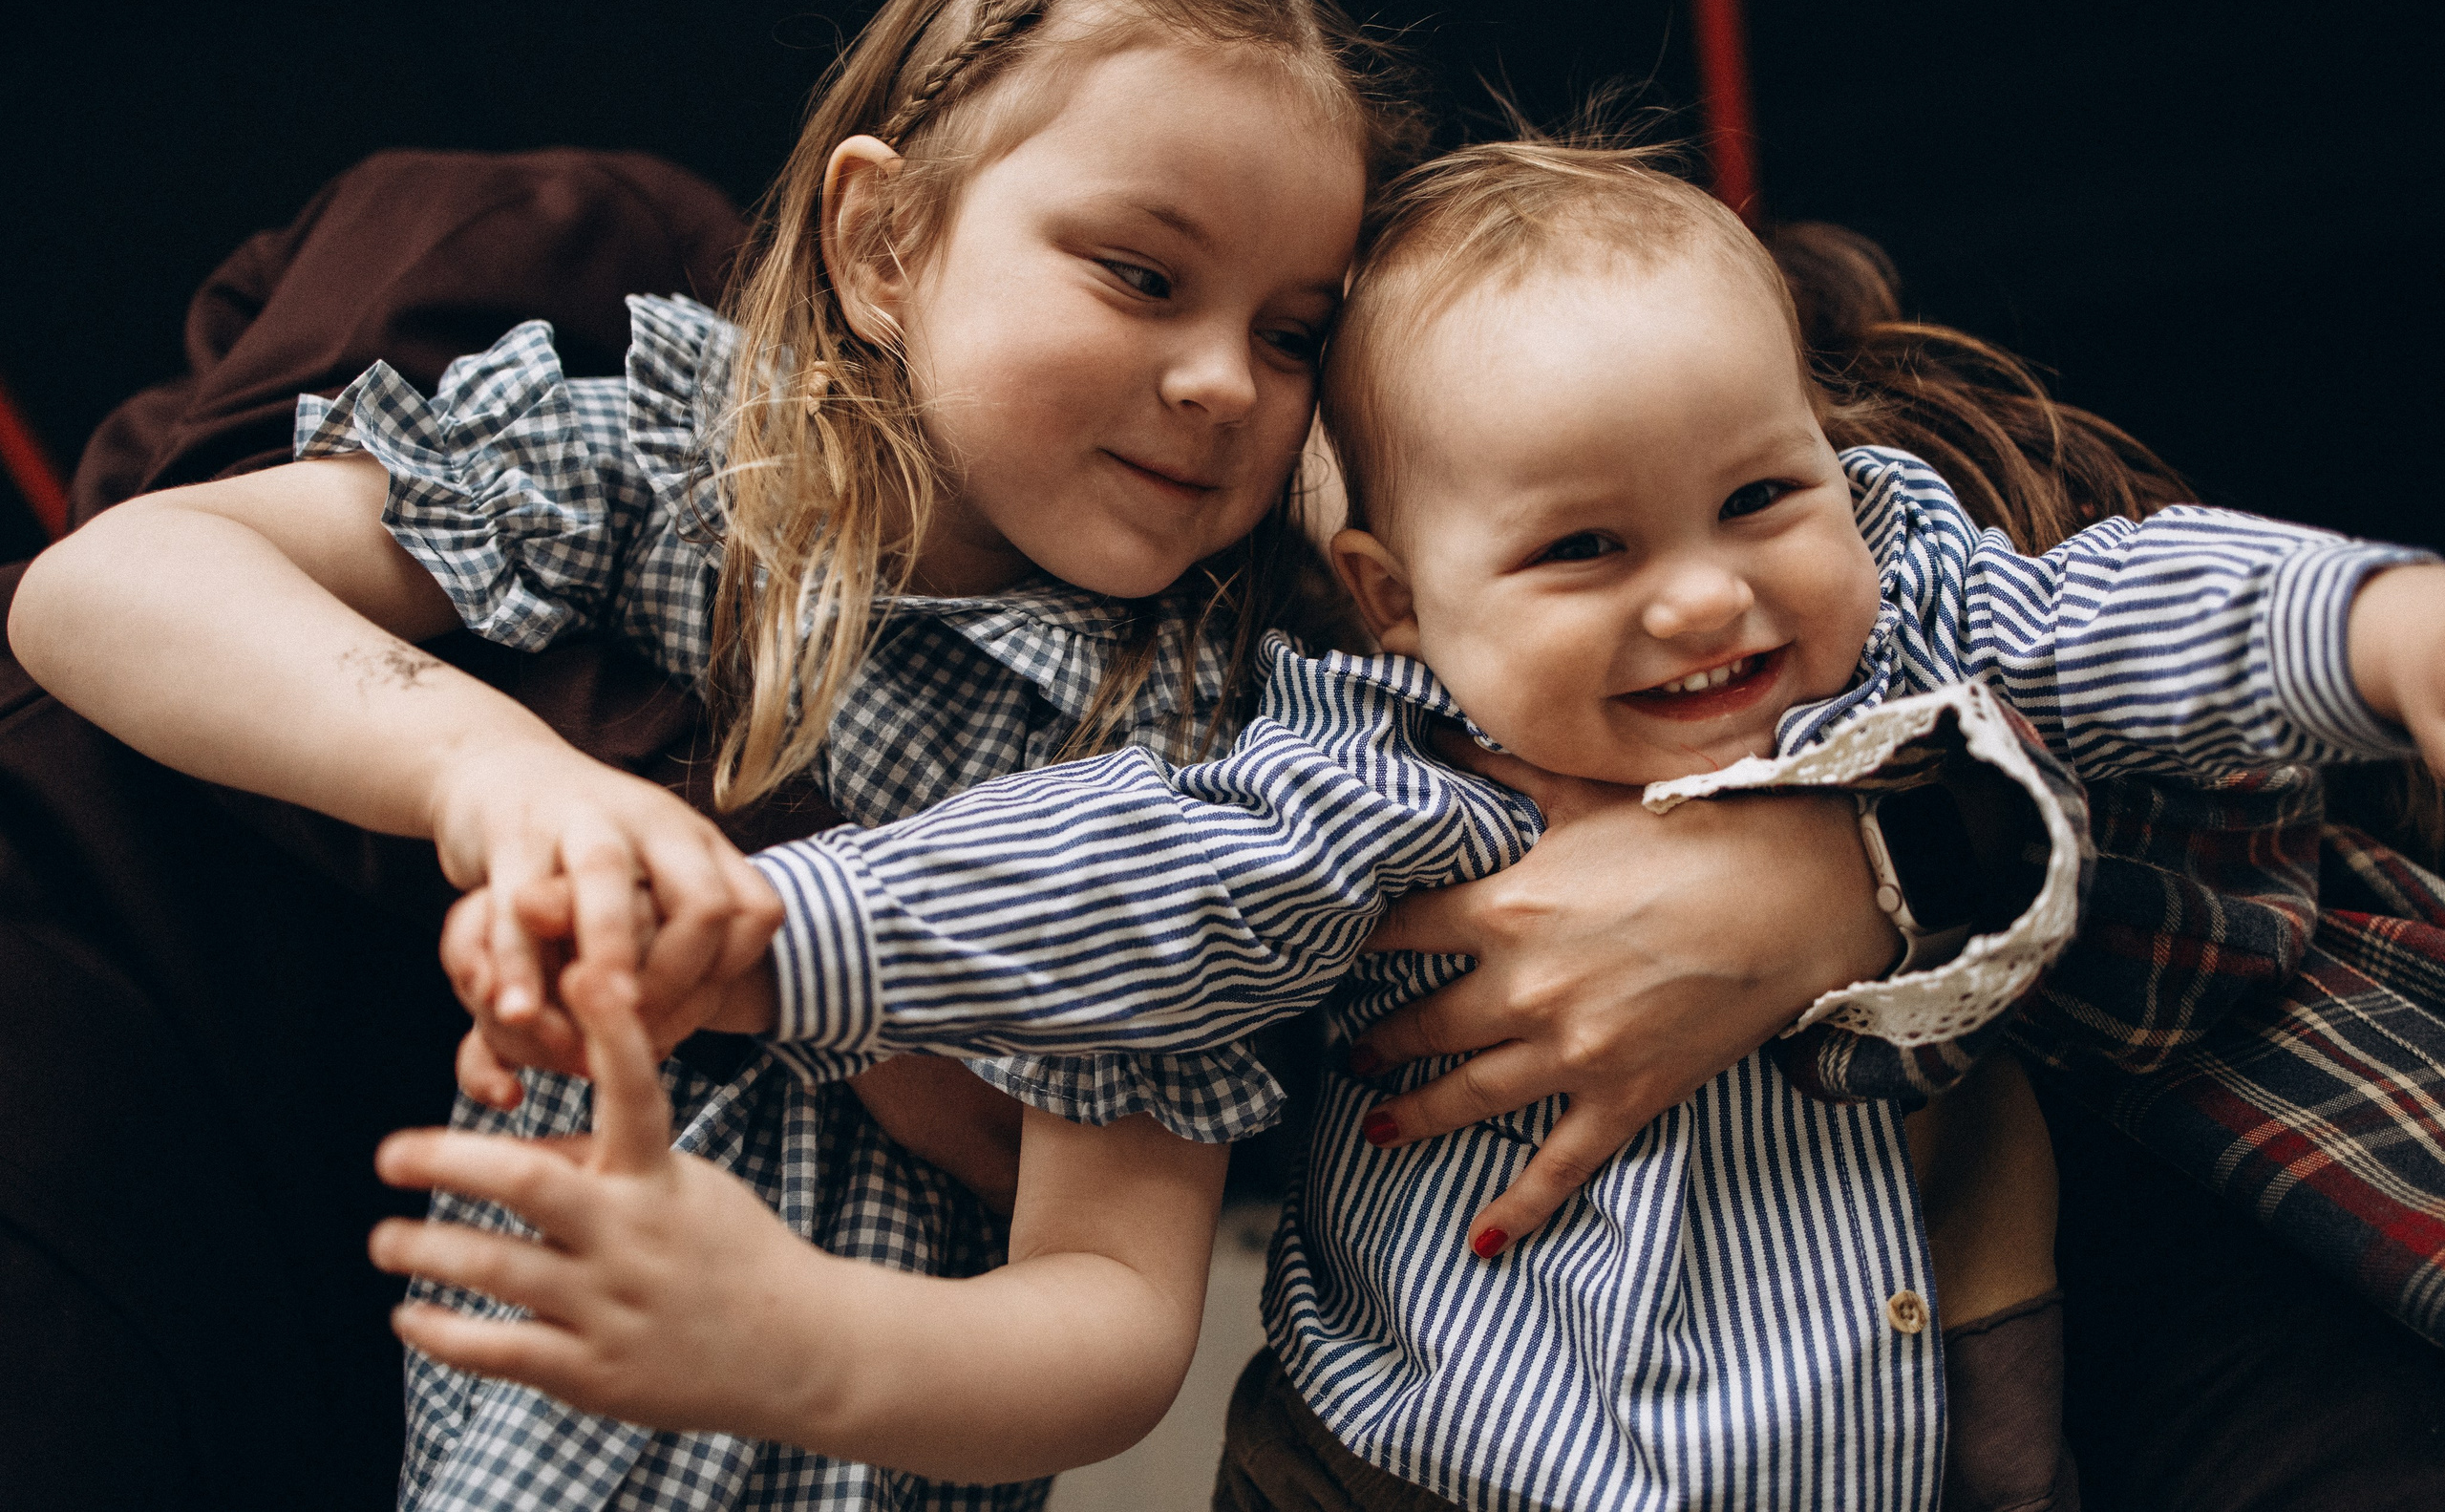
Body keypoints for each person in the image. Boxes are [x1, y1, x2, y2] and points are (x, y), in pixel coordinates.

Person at [3, 0, 2026, 1509]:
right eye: (1140, 275)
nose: (1225, 377)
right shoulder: (694, 477)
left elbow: (1111, 1310)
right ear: (884, 239)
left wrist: (785, 1331)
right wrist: (485, 766)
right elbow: (111, 584)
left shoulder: (1195, 751)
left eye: (1290, 329)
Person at [385, 138, 2442, 1512]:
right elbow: (1125, 873)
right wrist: (755, 927)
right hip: (1408, 1470)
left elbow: (2119, 613)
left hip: (1852, 1449)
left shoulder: (1904, 599)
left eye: (1757, 496)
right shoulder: (1374, 765)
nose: (1707, 594)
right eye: (1580, 548)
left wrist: (2379, 620)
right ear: (1396, 600)